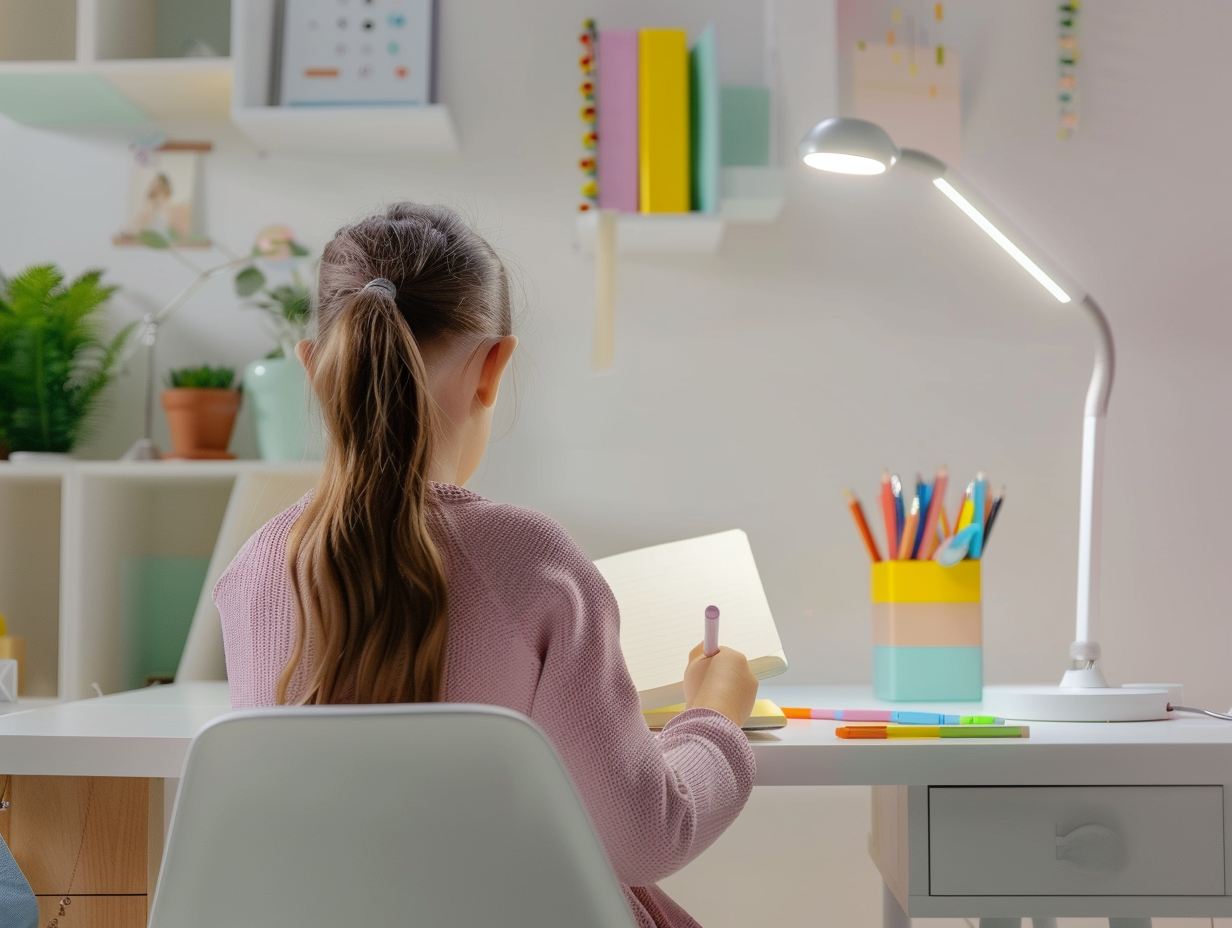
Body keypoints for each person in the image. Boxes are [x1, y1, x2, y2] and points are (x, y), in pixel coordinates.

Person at [214, 203, 759, 928]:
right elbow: (646, 837)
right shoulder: (534, 564)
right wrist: (713, 716)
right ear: (492, 367)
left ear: (314, 368)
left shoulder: (254, 571)